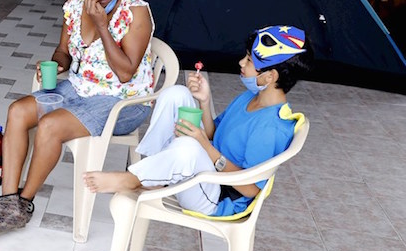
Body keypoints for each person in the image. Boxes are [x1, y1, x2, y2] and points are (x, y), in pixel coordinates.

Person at [0, 0, 155, 238]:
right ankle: (7, 201)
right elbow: (64, 52)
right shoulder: (74, 7)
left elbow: (125, 72)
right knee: (18, 111)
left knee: (50, 125)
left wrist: (102, 26)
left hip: (122, 100)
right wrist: (54, 64)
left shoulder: (136, 12)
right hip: (79, 86)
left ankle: (24, 203)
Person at [83, 25, 312, 216]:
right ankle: (155, 174)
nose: (241, 63)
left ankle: (133, 179)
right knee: (177, 94)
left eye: (250, 61)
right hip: (203, 171)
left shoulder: (271, 127)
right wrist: (204, 100)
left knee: (189, 147)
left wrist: (203, 146)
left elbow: (251, 189)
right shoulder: (250, 98)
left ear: (271, 76)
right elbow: (213, 136)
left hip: (218, 198)